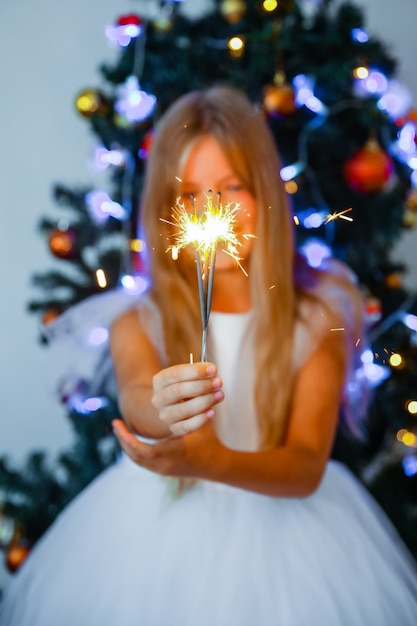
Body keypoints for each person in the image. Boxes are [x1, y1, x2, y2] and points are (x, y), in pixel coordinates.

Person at [1, 85, 417, 625]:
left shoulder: (317, 317)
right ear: (166, 210)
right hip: (150, 537)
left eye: (231, 187)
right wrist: (164, 409)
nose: (211, 211)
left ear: (265, 191)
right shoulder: (140, 320)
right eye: (190, 194)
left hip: (290, 540)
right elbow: (138, 397)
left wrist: (212, 461)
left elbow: (305, 465)